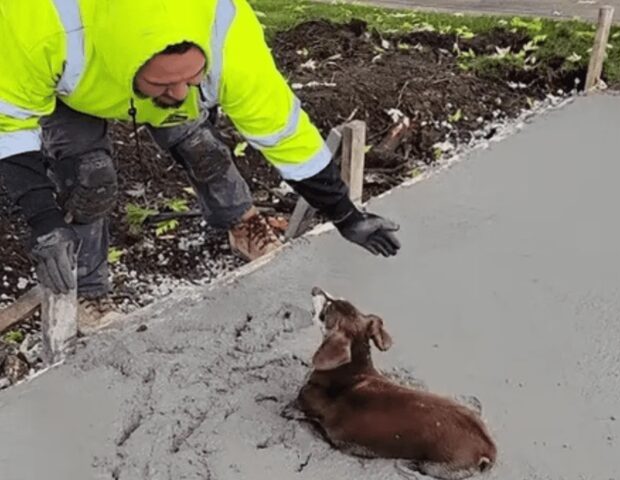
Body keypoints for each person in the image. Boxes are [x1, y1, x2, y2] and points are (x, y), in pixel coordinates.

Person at [0, 0, 401, 331]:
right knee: (91, 178)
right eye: (164, 84)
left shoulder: (226, 35)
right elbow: (9, 125)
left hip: (134, 80)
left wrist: (346, 215)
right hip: (71, 91)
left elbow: (284, 133)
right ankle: (89, 290)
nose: (178, 93)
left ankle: (241, 225)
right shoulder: (39, 21)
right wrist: (45, 225)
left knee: (203, 149)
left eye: (189, 78)